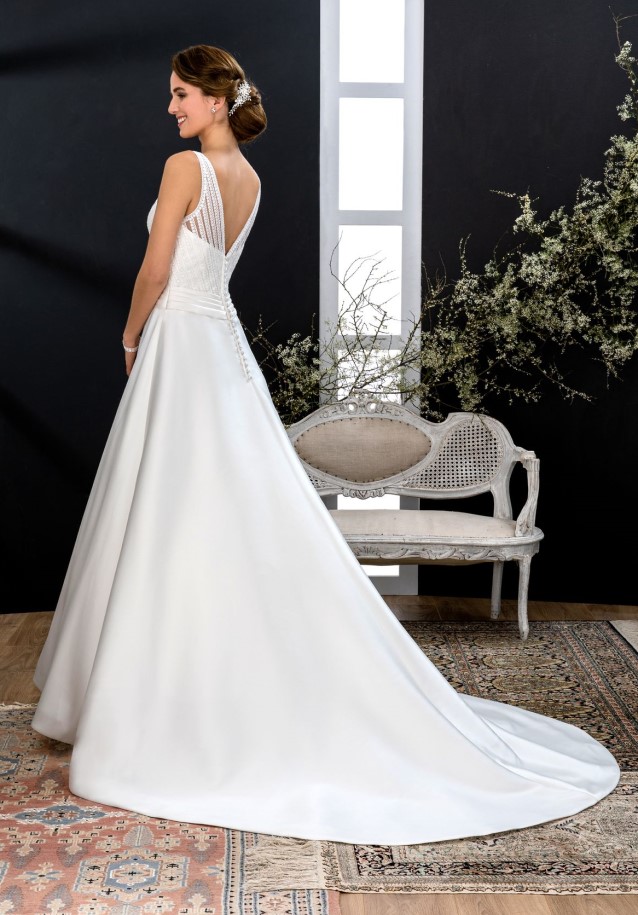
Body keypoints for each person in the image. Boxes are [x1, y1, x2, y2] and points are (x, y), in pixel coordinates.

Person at [31, 44, 620, 845]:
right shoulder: (251, 180)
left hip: (178, 345)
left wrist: (130, 335)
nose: (170, 108)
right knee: (213, 511)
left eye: (179, 95)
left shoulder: (183, 169)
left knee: (165, 508)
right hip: (220, 353)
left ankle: (155, 703)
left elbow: (156, 270)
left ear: (214, 100)